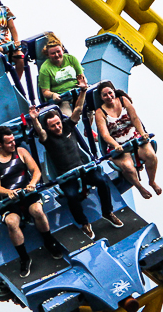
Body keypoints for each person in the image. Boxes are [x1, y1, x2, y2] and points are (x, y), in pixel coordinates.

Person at [29, 90, 124, 240]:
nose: (57, 127)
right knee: (71, 195)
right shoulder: (46, 138)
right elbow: (40, 131)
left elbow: (78, 109)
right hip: (67, 176)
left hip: (83, 170)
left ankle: (107, 212)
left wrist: (83, 91)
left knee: (101, 181)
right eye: (53, 126)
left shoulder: (67, 125)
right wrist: (34, 119)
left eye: (58, 123)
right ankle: (84, 223)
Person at [0, 126, 65, 278]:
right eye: (9, 143)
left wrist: (33, 183)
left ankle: (49, 242)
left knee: (37, 211)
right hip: (10, 200)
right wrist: (9, 193)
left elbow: (36, 171)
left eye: (13, 140)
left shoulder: (21, 152)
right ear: (0, 145)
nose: (13, 144)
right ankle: (24, 257)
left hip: (28, 194)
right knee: (11, 222)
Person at [94, 81, 161, 199]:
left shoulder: (123, 101)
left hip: (134, 139)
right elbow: (105, 135)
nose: (109, 97)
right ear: (101, 97)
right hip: (118, 145)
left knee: (151, 156)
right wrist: (116, 145)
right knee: (128, 167)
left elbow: (135, 118)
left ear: (114, 92)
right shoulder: (100, 113)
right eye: (105, 95)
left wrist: (142, 133)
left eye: (110, 93)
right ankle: (140, 187)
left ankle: (152, 181)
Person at [37, 32, 88, 115]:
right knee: (67, 116)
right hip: (63, 98)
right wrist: (52, 95)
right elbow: (45, 92)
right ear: (48, 55)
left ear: (62, 50)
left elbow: (81, 77)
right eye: (53, 53)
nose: (56, 55)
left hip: (78, 92)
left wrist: (83, 84)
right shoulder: (45, 68)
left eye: (58, 52)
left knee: (89, 108)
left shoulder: (71, 59)